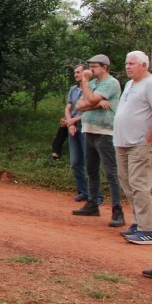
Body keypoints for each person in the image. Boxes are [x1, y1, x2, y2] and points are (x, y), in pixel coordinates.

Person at [115, 51, 152, 245]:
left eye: (132, 63)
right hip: (123, 142)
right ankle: (138, 223)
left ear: (144, 65)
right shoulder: (129, 84)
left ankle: (148, 230)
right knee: (128, 184)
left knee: (140, 185)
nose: (128, 66)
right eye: (127, 63)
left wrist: (148, 141)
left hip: (140, 144)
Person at [72, 54, 124, 228]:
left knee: (111, 172)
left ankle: (117, 210)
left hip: (105, 132)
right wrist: (95, 103)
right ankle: (93, 204)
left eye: (93, 66)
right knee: (92, 170)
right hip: (89, 130)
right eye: (89, 66)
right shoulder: (93, 84)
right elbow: (78, 105)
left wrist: (88, 90)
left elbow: (89, 99)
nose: (90, 70)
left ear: (104, 67)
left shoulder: (111, 83)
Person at [63, 65, 90, 202]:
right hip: (73, 127)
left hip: (86, 127)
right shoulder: (73, 90)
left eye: (78, 72)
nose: (76, 74)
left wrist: (73, 120)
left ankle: (96, 195)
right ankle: (83, 192)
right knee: (75, 162)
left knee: (89, 161)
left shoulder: (91, 89)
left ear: (85, 73)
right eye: (74, 72)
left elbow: (90, 110)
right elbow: (68, 108)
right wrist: (70, 123)